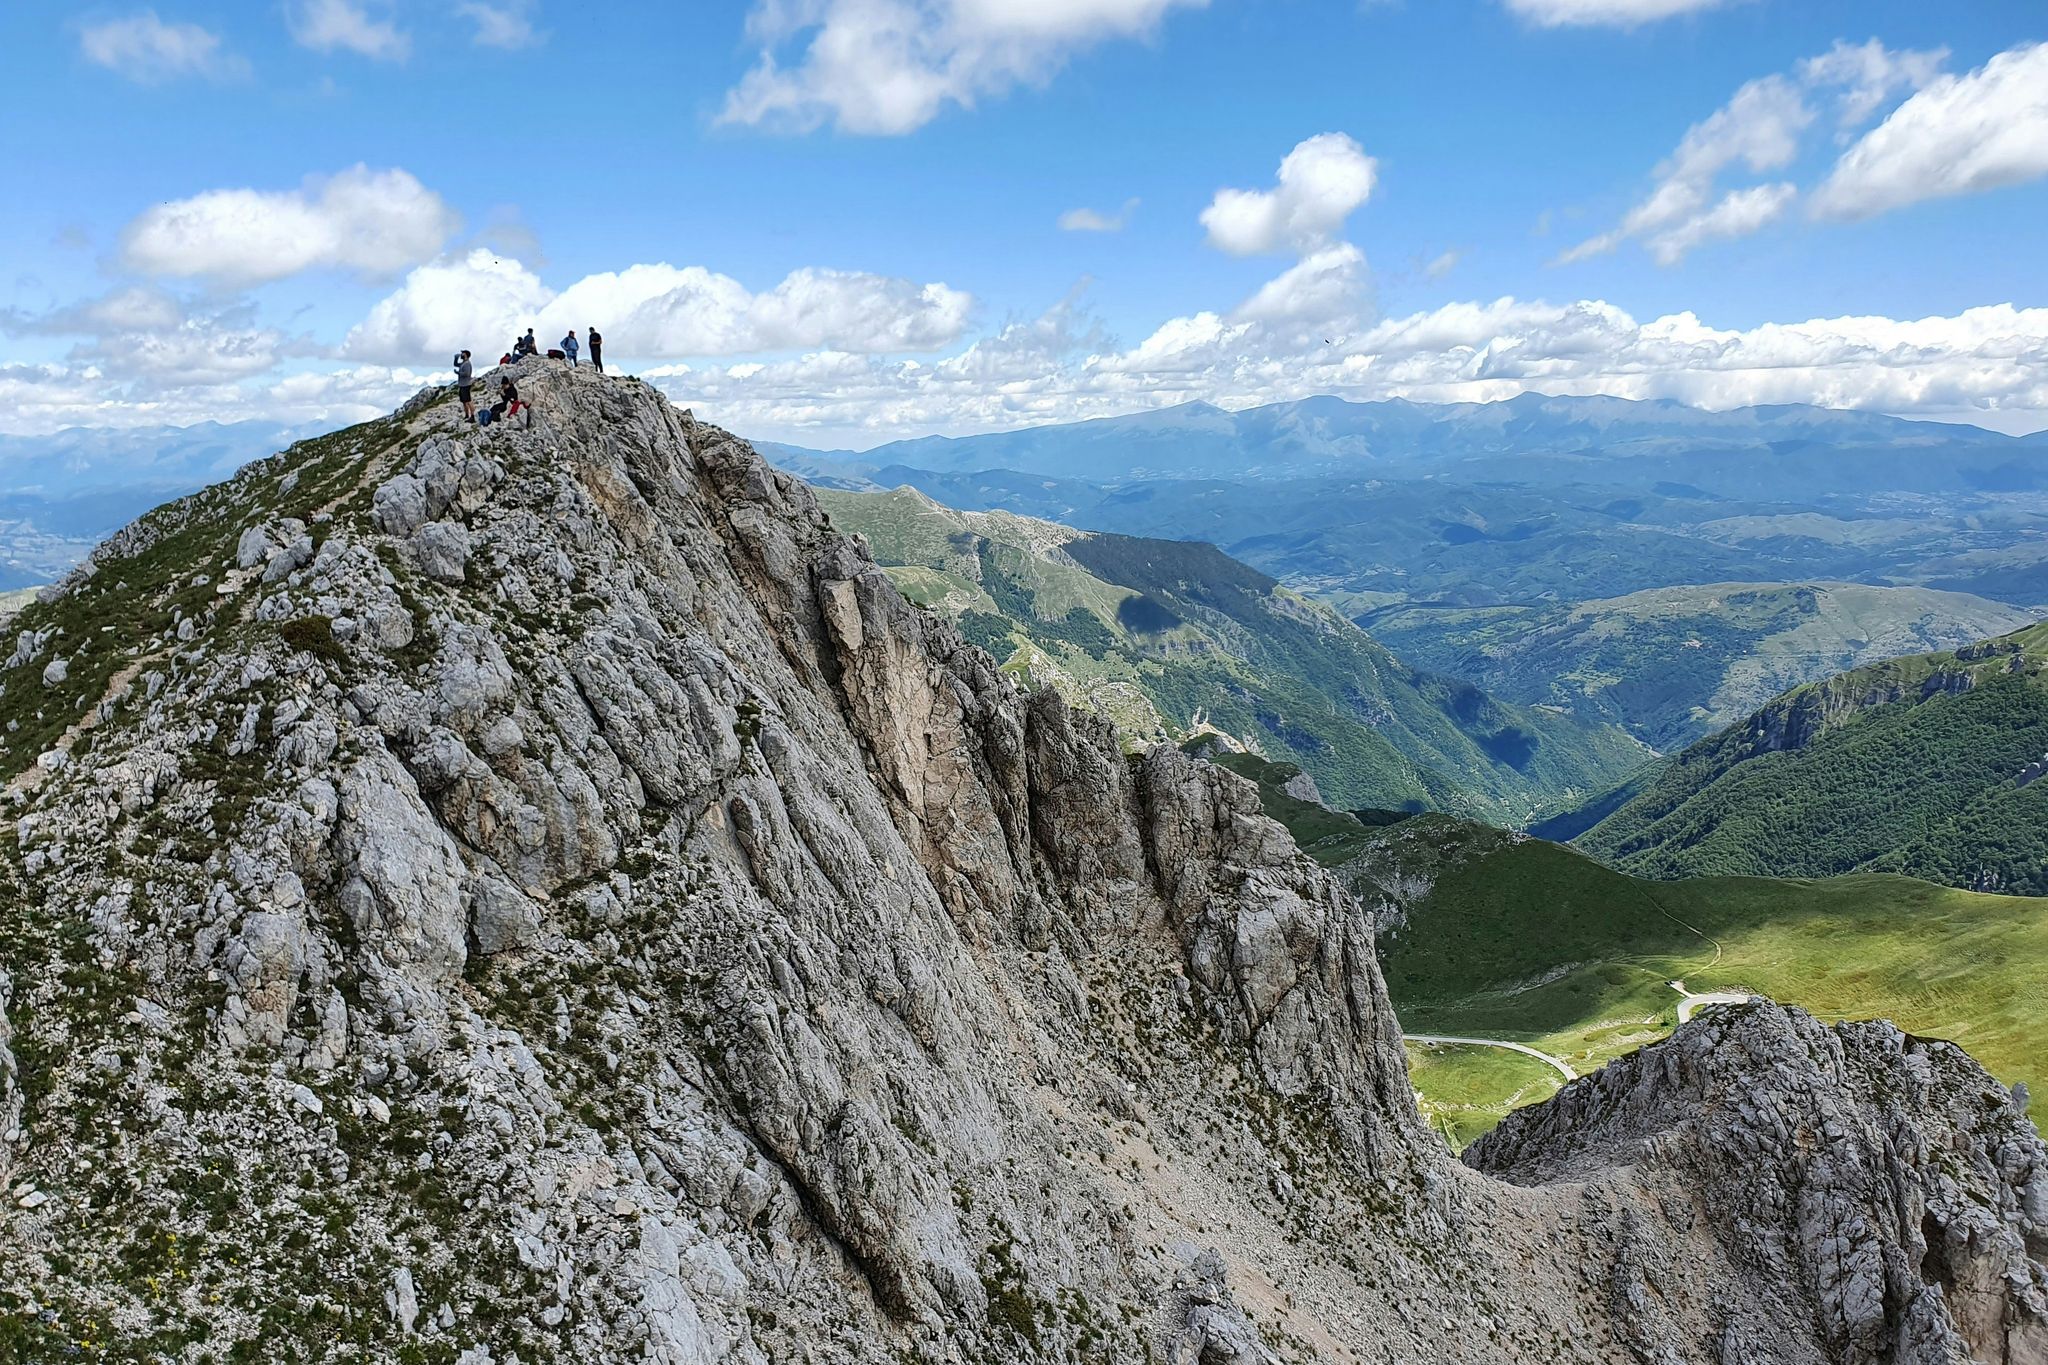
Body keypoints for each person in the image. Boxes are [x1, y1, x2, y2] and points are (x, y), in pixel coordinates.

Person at [452, 350, 474, 421]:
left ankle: (472, 416)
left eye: (462, 354)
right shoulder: (463, 363)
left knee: (468, 400)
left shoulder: (467, 364)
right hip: (462, 384)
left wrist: (458, 373)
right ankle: (467, 415)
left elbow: (467, 374)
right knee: (464, 401)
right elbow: (455, 364)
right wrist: (456, 358)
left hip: (466, 384)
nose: (461, 355)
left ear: (466, 355)